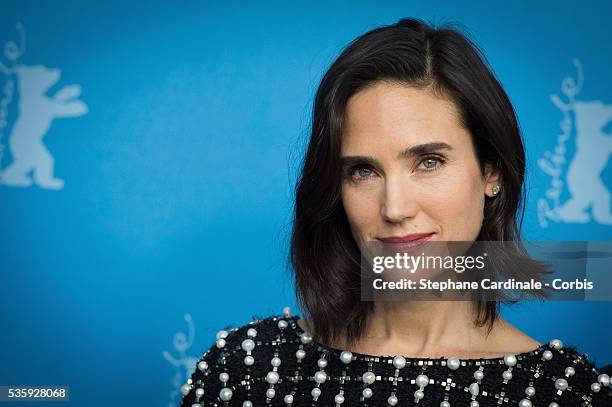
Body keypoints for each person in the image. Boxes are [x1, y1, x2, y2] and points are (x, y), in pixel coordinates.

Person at [179, 18, 611, 406]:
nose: (395, 208)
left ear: (491, 172)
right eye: (363, 171)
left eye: (428, 162)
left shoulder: (568, 393)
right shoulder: (247, 371)